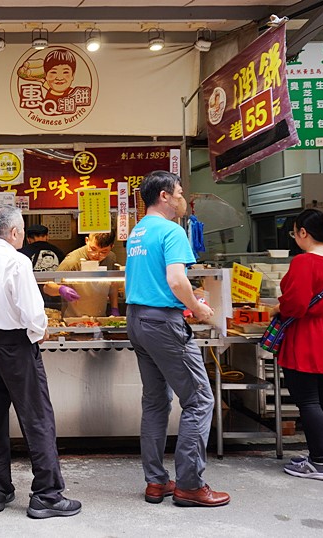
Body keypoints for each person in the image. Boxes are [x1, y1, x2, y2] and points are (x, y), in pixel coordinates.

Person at [0, 204, 82, 520]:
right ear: (14, 232)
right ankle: (47, 494)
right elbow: (32, 311)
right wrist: (38, 332)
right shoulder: (16, 261)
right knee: (37, 417)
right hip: (16, 344)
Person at [124, 171, 229, 508]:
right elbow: (175, 279)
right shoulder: (171, 230)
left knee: (155, 401)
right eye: (180, 192)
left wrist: (188, 300)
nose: (184, 199)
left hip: (137, 319)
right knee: (199, 400)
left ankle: (156, 482)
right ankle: (190, 485)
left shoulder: (138, 232)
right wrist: (197, 306)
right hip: (163, 323)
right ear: (165, 196)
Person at [275, 209, 323, 481]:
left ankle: (318, 464)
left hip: (306, 336)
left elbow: (295, 304)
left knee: (308, 401)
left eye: (295, 233)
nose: (295, 238)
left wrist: (276, 310)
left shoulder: (305, 262)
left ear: (303, 232)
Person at [43, 232, 120, 317]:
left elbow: (113, 284)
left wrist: (114, 308)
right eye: (93, 249)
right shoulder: (73, 261)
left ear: (112, 247)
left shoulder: (111, 258)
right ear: (87, 241)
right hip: (73, 319)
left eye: (104, 252)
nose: (96, 255)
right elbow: (47, 287)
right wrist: (61, 289)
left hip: (100, 318)